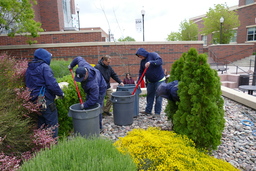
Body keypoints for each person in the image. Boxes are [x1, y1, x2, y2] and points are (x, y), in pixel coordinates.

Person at [25, 48, 64, 138]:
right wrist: (60, 93)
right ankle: (53, 147)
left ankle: (42, 147)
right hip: (45, 99)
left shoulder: (29, 68)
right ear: (44, 57)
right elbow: (52, 84)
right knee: (52, 125)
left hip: (34, 99)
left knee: (41, 124)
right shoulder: (44, 67)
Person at [68, 56, 107, 130]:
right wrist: (71, 65)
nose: (81, 80)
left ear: (86, 74)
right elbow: (78, 58)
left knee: (97, 106)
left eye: (82, 79)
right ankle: (88, 123)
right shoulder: (83, 65)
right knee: (88, 103)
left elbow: (94, 99)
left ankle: (98, 127)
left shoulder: (93, 84)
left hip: (101, 89)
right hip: (92, 88)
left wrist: (84, 105)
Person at [135, 48, 166, 118]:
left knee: (158, 97)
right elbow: (141, 72)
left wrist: (150, 62)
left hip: (159, 80)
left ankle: (157, 113)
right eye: (138, 56)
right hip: (150, 81)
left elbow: (160, 61)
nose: (140, 57)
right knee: (150, 96)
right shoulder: (142, 62)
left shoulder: (153, 55)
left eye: (140, 55)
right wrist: (138, 82)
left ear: (143, 53)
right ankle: (148, 111)